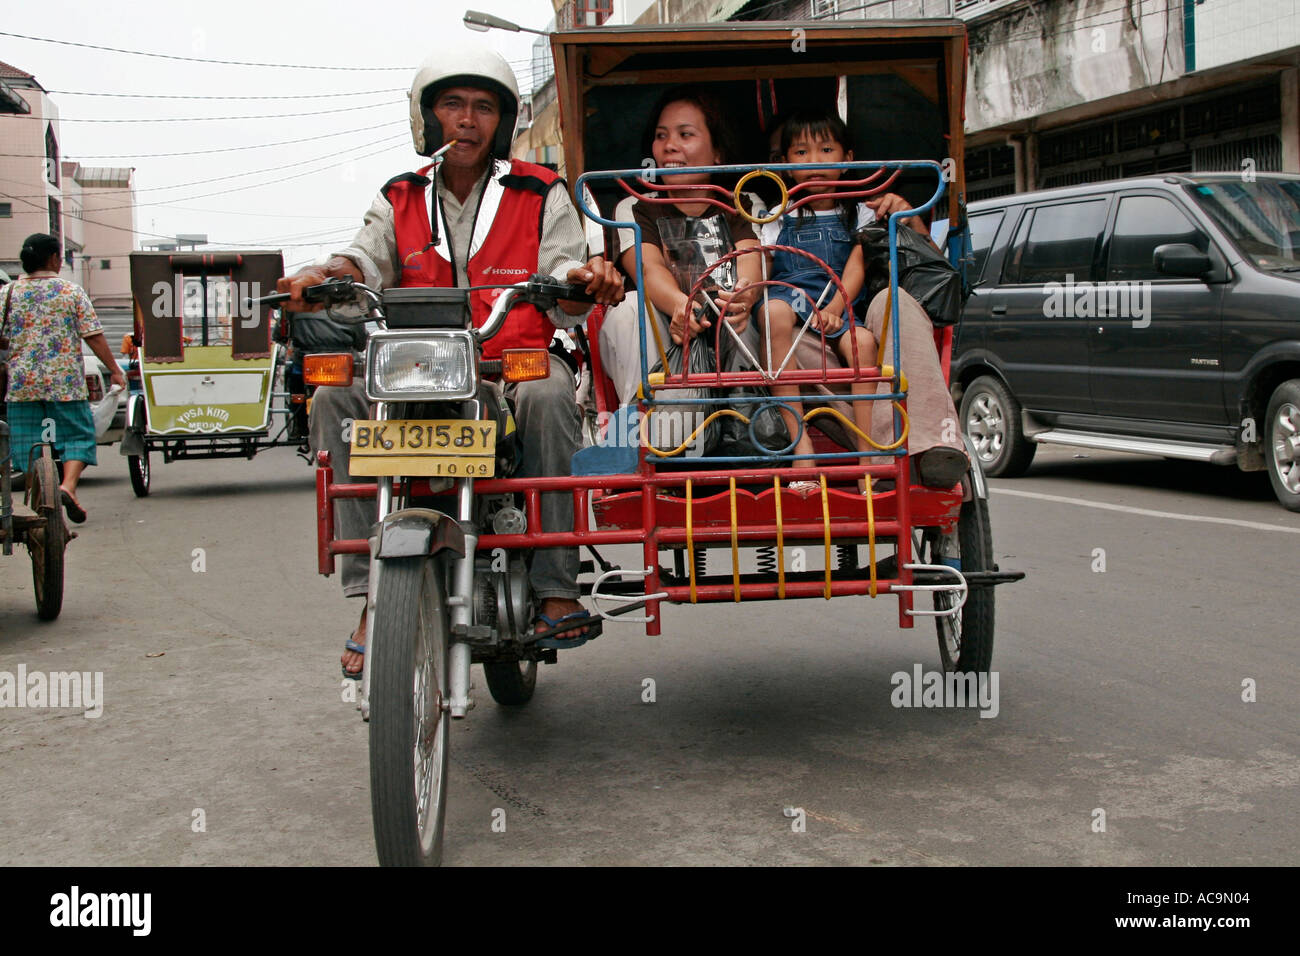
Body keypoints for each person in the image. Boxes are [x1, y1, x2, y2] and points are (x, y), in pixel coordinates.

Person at [276, 46, 623, 679]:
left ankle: (554, 584)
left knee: (549, 392)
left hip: (509, 363)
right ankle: (370, 594)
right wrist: (325, 275)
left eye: (483, 107)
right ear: (427, 117)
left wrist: (578, 278)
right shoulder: (399, 196)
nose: (467, 120)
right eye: (453, 105)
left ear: (503, 121)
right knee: (331, 395)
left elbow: (562, 263)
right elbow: (362, 259)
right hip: (411, 368)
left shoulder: (538, 189)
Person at [597, 86, 763, 452]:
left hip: (727, 326)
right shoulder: (635, 206)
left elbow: (751, 256)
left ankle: (744, 430)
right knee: (630, 309)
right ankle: (640, 437)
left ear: (717, 152)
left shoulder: (744, 202)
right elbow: (648, 267)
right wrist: (680, 306)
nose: (669, 146)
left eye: (685, 135)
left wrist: (744, 294)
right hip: (666, 329)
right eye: (661, 136)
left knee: (759, 314)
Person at [758, 110, 880, 491]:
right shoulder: (773, 216)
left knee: (863, 342)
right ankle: (800, 444)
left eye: (826, 150)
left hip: (838, 301)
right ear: (785, 164)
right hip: (788, 297)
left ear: (847, 160)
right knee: (772, 314)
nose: (814, 161)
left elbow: (856, 268)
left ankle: (867, 452)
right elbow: (763, 267)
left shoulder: (860, 212)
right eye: (801, 152)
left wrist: (835, 310)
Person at [1, 233, 125, 522]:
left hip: (22, 385)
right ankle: (67, 487)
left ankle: (40, 496)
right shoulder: (71, 292)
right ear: (55, 259)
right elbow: (93, 336)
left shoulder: (7, 294)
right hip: (65, 383)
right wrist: (115, 371)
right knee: (78, 436)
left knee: (25, 443)